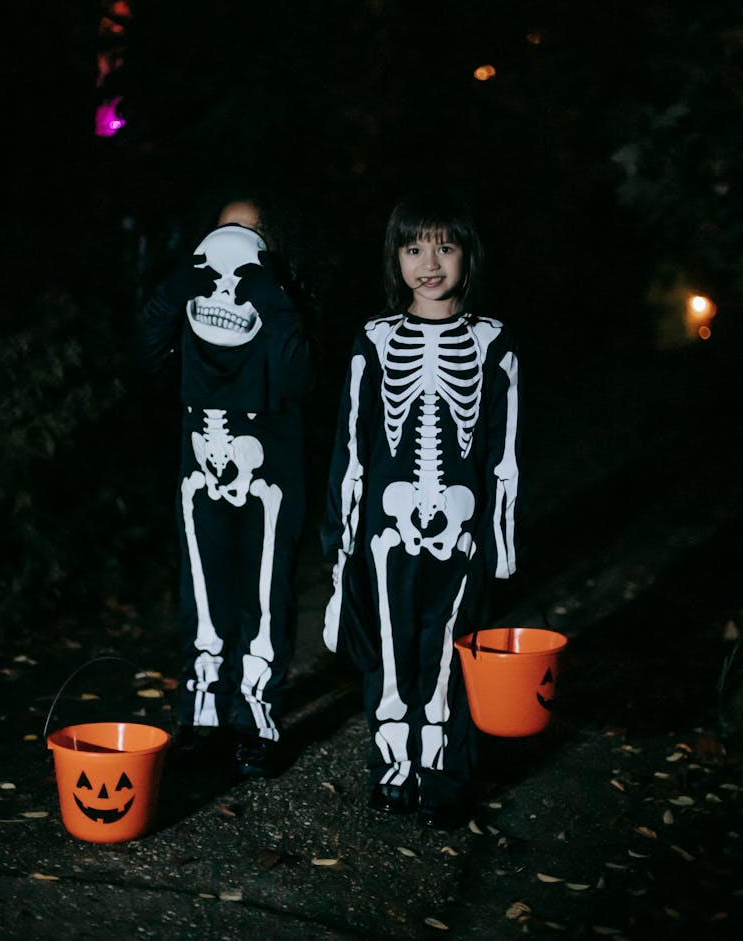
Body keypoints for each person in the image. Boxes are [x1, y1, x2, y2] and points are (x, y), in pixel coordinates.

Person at [320, 192, 521, 829]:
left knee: (449, 648)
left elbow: (504, 446)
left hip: (462, 532)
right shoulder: (374, 340)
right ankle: (393, 768)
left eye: (444, 246)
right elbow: (350, 443)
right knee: (389, 648)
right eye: (413, 248)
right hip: (384, 528)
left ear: (468, 254)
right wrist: (339, 540)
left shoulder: (492, 342)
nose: (428, 262)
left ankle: (445, 773)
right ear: (395, 258)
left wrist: (501, 539)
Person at [137, 195, 316, 779]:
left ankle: (256, 721)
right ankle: (202, 715)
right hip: (200, 470)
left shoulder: (282, 308)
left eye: (248, 242)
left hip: (272, 475)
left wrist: (273, 299)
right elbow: (146, 359)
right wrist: (174, 289)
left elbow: (298, 376)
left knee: (265, 596)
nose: (229, 257)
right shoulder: (191, 313)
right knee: (204, 595)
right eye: (222, 238)